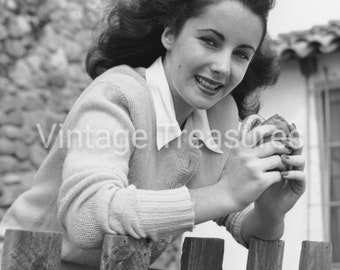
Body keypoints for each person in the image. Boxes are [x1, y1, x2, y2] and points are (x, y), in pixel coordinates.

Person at [0, 0, 306, 269]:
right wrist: (226, 192)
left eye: (241, 54)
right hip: (24, 260)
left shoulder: (219, 115)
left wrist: (269, 210)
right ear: (170, 33)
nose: (223, 67)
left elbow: (240, 222)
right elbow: (87, 217)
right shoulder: (117, 94)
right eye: (210, 41)